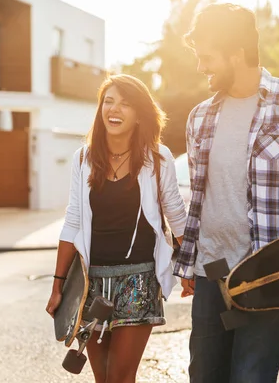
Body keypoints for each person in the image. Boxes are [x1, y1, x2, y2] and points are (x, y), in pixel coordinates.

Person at [173, 3, 279, 382]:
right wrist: (189, 260)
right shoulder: (200, 116)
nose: (201, 67)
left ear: (237, 53)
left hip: (270, 273)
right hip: (212, 271)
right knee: (204, 375)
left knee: (251, 376)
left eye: (207, 57)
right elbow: (200, 197)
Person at [46, 74, 187, 383]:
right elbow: (73, 222)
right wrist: (58, 285)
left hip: (139, 279)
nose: (115, 109)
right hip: (91, 284)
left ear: (139, 115)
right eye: (108, 101)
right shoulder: (83, 158)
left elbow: (176, 215)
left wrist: (191, 267)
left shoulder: (157, 157)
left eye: (125, 104)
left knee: (120, 377)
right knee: (103, 377)